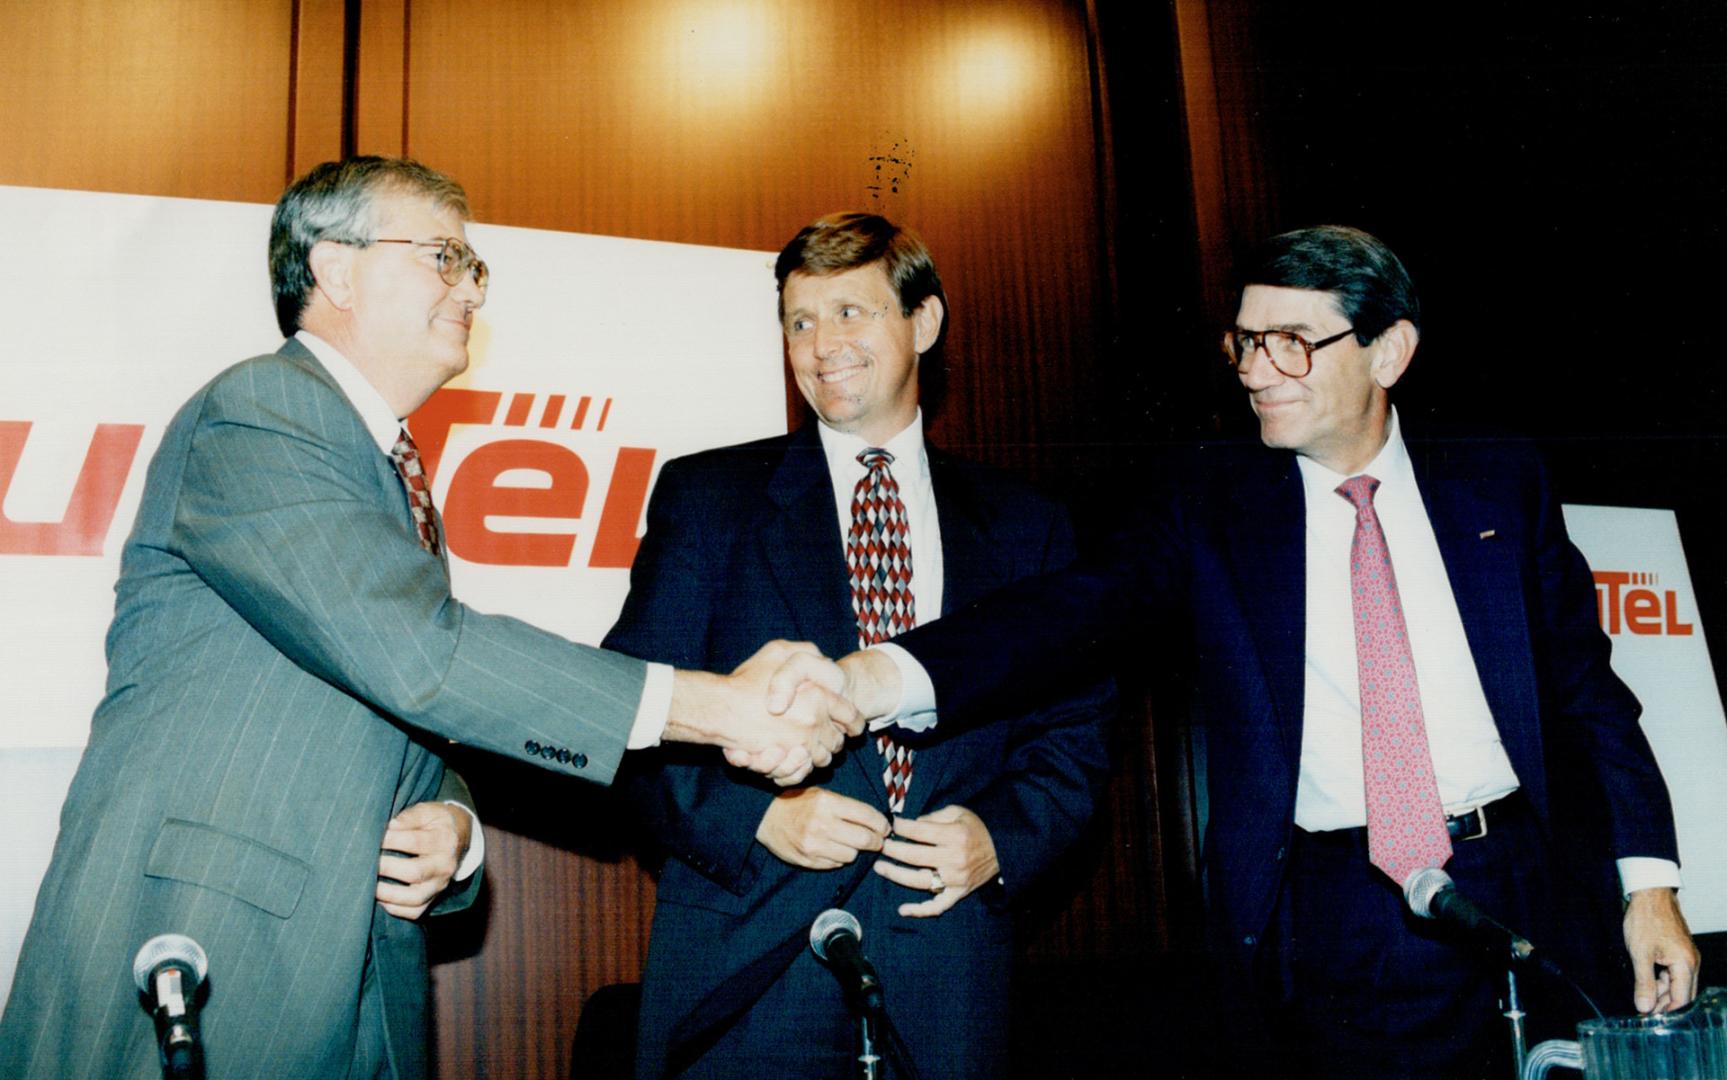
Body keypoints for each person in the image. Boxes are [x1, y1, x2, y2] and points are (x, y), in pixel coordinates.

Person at [0, 157, 859, 1080]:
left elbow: (398, 708)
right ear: (335, 272)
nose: (470, 290)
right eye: (445, 257)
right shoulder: (262, 409)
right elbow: (416, 653)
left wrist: (451, 828)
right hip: (210, 955)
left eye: (472, 264)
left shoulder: (388, 474)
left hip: (358, 975)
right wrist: (721, 707)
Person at [777, 225, 1702, 1076]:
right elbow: (1067, 610)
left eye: (1291, 341)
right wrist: (877, 676)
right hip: (1333, 904)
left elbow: (1588, 696)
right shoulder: (1212, 503)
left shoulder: (1499, 481)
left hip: (1518, 885)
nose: (1259, 370)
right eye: (1246, 343)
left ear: (1389, 351)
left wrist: (1649, 887)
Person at [604, 213, 1113, 1078]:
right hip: (747, 962)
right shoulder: (709, 497)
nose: (820, 344)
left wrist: (998, 837)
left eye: (850, 313)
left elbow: (1072, 740)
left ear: (924, 323)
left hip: (945, 968)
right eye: (799, 321)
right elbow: (628, 714)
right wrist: (761, 816)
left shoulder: (1028, 526)